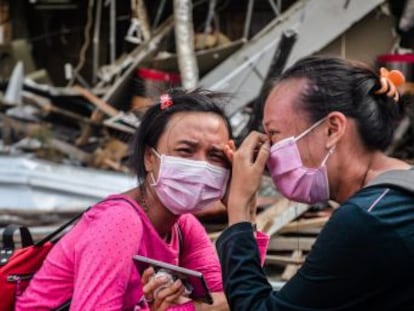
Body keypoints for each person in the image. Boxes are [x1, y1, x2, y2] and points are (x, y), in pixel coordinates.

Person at [16, 88, 269, 311]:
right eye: (185, 151)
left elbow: (241, 299)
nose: (201, 165)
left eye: (215, 155)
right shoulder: (119, 221)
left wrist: (243, 207)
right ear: (150, 157)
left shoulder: (184, 227)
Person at [216, 55, 414, 310]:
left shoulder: (368, 218)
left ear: (332, 129)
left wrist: (240, 211)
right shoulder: (397, 194)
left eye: (274, 134)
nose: (268, 151)